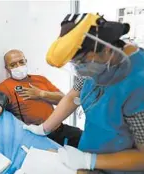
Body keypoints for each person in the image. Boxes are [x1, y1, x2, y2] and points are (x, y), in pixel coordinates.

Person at [23, 13, 144, 173]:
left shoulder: (137, 82)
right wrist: (44, 128)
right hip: (91, 148)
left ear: (107, 48)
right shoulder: (93, 67)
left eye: (82, 62)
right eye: (75, 64)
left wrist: (90, 161)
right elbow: (74, 95)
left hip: (121, 164)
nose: (80, 69)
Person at [0, 49, 83, 148]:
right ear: (7, 68)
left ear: (26, 61)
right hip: (36, 135)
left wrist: (42, 94)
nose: (18, 66)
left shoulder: (40, 80)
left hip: (59, 128)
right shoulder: (5, 87)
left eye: (21, 62)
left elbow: (64, 99)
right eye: (13, 65)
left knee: (87, 142)